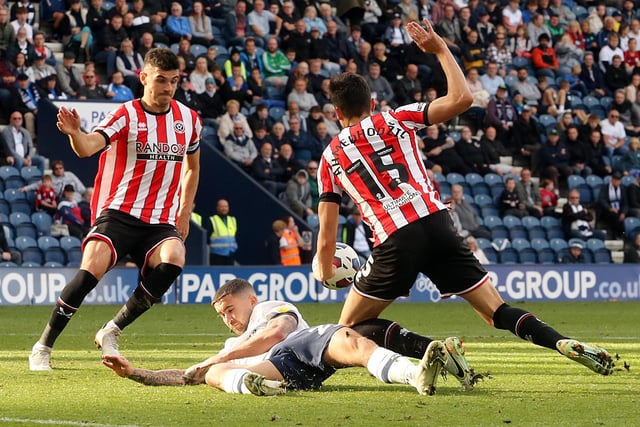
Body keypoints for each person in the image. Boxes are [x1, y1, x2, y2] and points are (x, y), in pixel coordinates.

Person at [313, 19, 614, 388]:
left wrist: (324, 271)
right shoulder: (394, 119)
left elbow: (327, 238)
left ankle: (430, 350)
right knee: (496, 312)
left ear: (336, 114)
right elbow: (463, 99)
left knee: (350, 329)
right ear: (372, 103)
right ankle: (562, 341)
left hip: (394, 237)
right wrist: (440, 49)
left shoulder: (329, 159)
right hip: (438, 224)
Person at [29, 48, 202, 371]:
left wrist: (184, 210)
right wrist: (75, 134)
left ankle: (112, 329)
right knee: (91, 268)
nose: (168, 88)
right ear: (144, 78)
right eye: (161, 80)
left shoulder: (189, 120)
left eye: (174, 81)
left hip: (159, 220)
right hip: (119, 213)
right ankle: (43, 347)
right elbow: (88, 147)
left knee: (175, 258)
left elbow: (192, 168)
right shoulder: (126, 114)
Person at [102, 279, 447, 396]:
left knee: (346, 339)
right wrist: (134, 373)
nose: (228, 319)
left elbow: (278, 334)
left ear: (250, 300)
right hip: (275, 374)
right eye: (221, 315)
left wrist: (220, 359)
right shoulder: (229, 348)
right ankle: (255, 388)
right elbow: (186, 375)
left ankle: (413, 374)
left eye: (230, 309)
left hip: (301, 347)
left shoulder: (270, 308)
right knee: (212, 375)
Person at [208, 199, 238, 266]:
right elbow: (207, 238)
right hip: (217, 255)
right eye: (222, 206)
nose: (224, 209)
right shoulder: (213, 220)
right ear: (217, 208)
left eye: (226, 206)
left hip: (230, 253)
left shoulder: (233, 220)